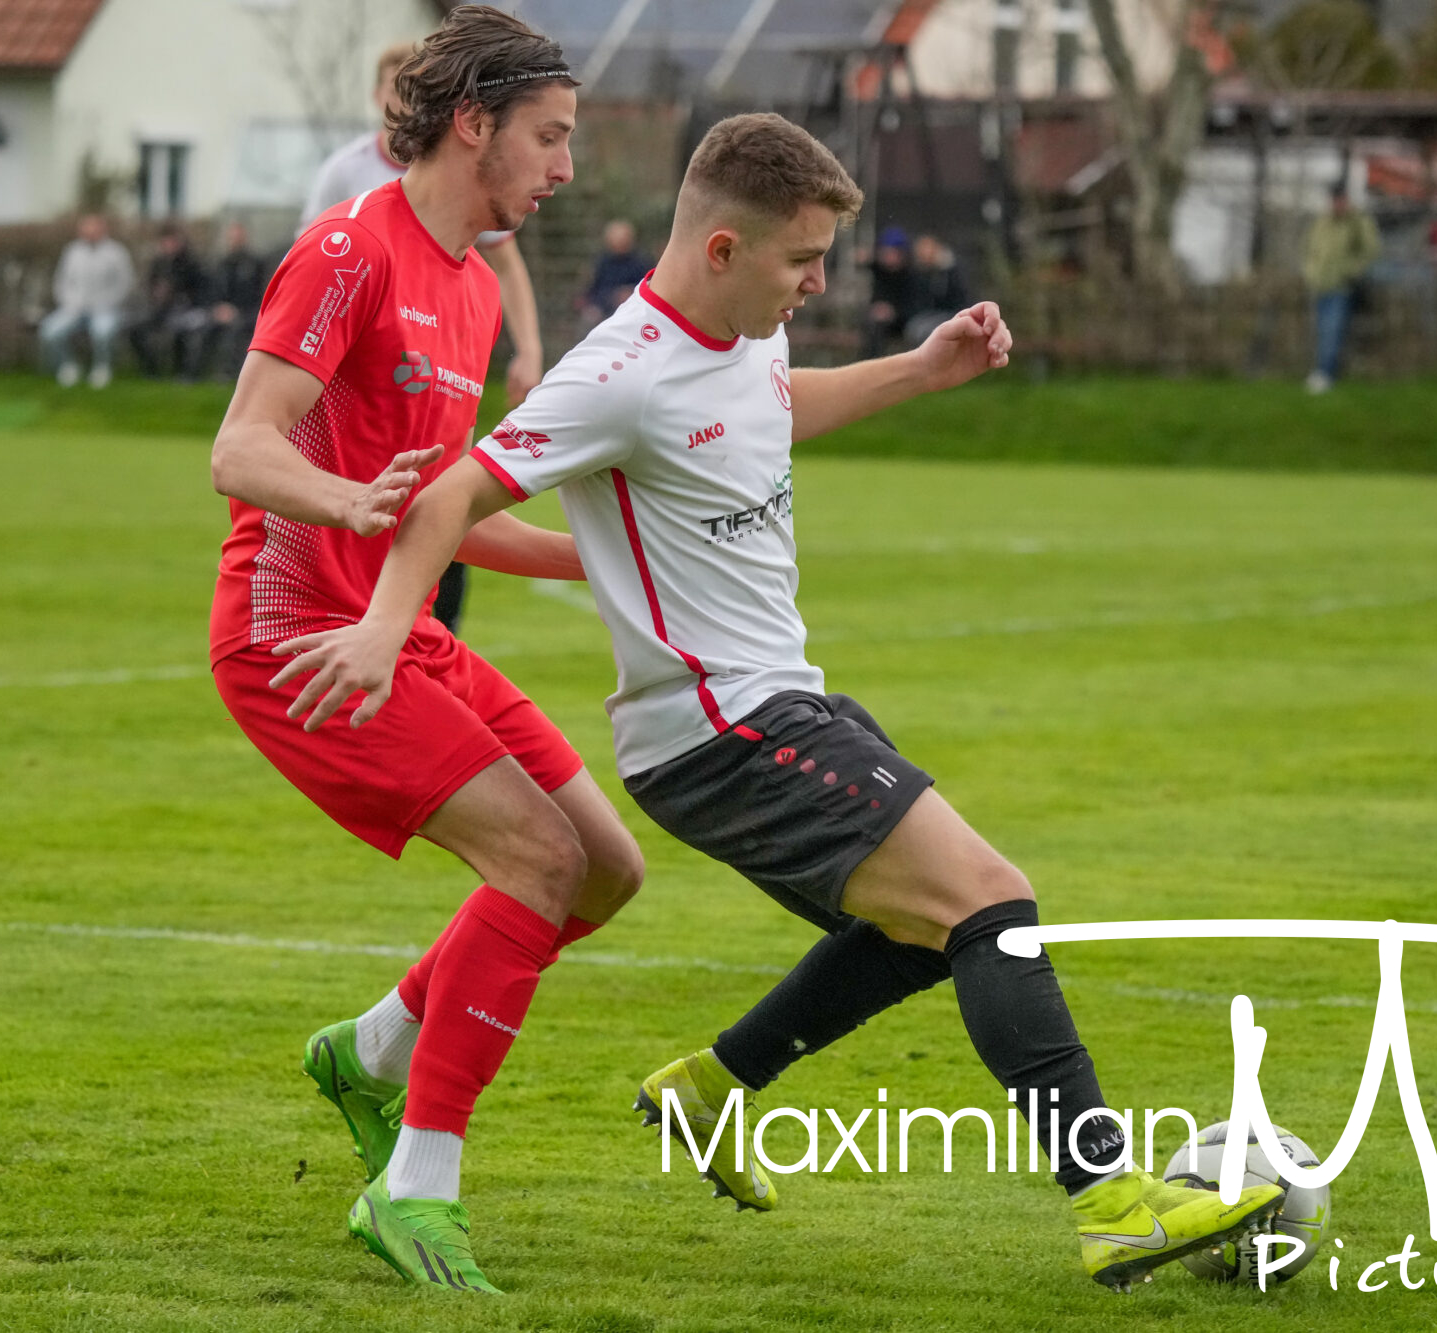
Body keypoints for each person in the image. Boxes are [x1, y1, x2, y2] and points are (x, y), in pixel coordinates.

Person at [271, 112, 1286, 1293]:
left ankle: (712, 1088)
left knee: (927, 933)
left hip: (783, 705)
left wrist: (920, 369)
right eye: (802, 260)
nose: (817, 282)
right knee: (991, 902)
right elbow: (449, 496)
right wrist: (389, 628)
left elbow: (767, 403)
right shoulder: (616, 373)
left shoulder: (736, 334)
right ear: (718, 249)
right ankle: (1111, 1197)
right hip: (719, 735)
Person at [207, 7, 642, 1295]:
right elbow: (239, 447)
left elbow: (432, 516)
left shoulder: (463, 280)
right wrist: (338, 501)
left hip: (402, 630)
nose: (563, 168)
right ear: (474, 124)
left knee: (606, 872)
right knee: (538, 856)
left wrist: (617, 567)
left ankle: (373, 1049)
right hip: (300, 639)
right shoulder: (346, 252)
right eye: (549, 138)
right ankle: (416, 1189)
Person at [303, 41, 550, 635]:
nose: (563, 168)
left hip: (430, 379)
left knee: (443, 489)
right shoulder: (350, 195)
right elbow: (310, 261)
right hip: (313, 579)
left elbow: (506, 267)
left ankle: (435, 629)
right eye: (548, 137)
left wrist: (530, 348)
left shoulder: (475, 271)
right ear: (378, 95)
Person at [1302, 181, 1380, 394]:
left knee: (1332, 330)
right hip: (1320, 284)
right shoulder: (1323, 222)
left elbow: (1370, 250)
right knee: (1321, 330)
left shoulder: (1357, 222)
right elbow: (1310, 248)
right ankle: (1322, 371)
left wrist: (1351, 272)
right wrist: (1311, 271)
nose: (1337, 204)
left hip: (1342, 285)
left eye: (1340, 199)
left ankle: (1326, 374)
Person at [41, 212, 134, 388]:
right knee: (50, 332)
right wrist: (68, 302)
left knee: (102, 333)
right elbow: (62, 281)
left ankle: (102, 368)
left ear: (102, 230)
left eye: (93, 230)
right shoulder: (72, 251)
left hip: (105, 308)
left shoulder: (116, 252)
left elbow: (125, 283)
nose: (89, 234)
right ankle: (68, 365)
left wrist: (109, 302)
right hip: (74, 308)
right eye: (85, 230)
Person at [131, 222, 208, 380]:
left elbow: (200, 291)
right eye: (165, 241)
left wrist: (176, 293)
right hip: (162, 311)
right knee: (135, 330)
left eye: (172, 241)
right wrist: (157, 296)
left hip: (186, 310)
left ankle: (184, 373)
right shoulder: (158, 263)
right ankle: (152, 371)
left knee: (181, 329)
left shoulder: (191, 263)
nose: (169, 245)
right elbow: (150, 287)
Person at [206, 221, 269, 379]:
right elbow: (214, 291)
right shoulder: (222, 263)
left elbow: (258, 293)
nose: (235, 240)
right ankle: (192, 374)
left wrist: (237, 310)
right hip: (223, 311)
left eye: (238, 237)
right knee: (203, 328)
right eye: (232, 237)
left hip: (249, 311)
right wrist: (219, 308)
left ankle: (232, 372)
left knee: (236, 330)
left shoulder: (255, 264)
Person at [578, 218, 649, 325]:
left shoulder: (641, 262)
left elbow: (647, 286)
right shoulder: (602, 263)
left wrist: (629, 293)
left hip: (633, 308)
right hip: (604, 308)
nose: (620, 242)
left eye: (624, 238)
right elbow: (593, 289)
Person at [861, 224, 915, 359]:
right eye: (885, 252)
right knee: (872, 325)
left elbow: (915, 307)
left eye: (892, 253)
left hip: (904, 322)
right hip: (880, 323)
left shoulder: (912, 276)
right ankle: (868, 364)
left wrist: (893, 312)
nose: (888, 257)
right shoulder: (880, 272)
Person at [906, 232, 969, 346]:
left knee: (925, 331)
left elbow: (960, 298)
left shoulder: (951, 271)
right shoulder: (922, 272)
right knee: (914, 328)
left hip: (952, 313)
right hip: (930, 314)